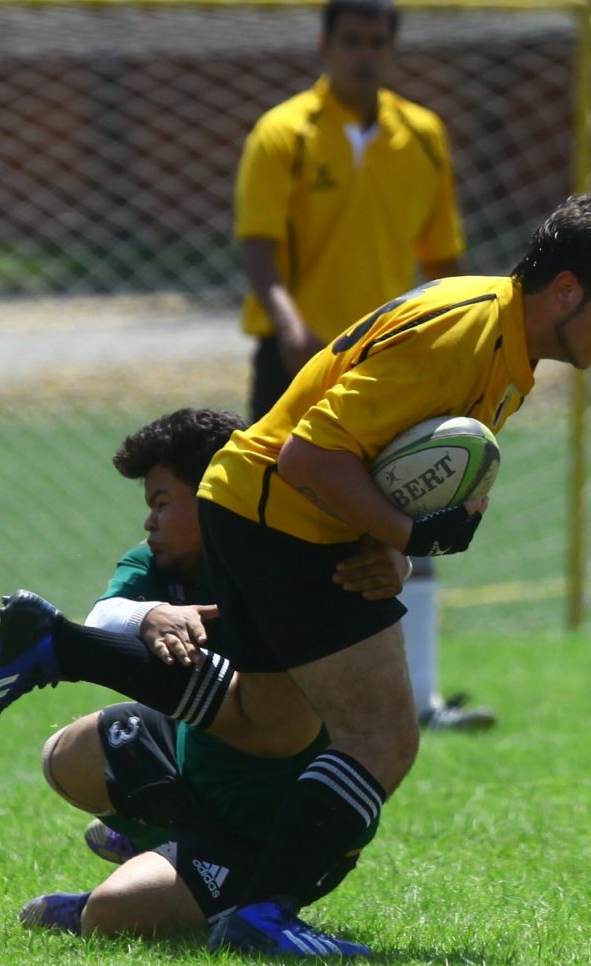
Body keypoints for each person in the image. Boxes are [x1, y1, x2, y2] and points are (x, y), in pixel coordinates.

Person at [0, 194, 591, 958]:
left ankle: (62, 648)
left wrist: (396, 544)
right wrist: (407, 535)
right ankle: (265, 914)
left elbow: (396, 467)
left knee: (269, 720)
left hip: (252, 503)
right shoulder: (463, 336)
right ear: (564, 290)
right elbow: (311, 459)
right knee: (381, 735)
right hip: (286, 518)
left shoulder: (501, 336)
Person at [0, 408, 410, 941]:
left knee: (111, 916)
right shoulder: (157, 561)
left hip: (272, 826)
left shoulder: (288, 555)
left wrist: (394, 560)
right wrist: (147, 615)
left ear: (215, 496)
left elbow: (363, 565)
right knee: (65, 755)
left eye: (160, 504)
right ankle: (167, 842)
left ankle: (182, 889)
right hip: (198, 771)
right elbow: (104, 616)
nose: (149, 522)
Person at [235, 0, 485, 730]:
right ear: (326, 44)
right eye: (352, 41)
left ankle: (421, 698)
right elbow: (258, 246)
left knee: (419, 502)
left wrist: (456, 340)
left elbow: (444, 262)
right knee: (279, 528)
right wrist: (290, 327)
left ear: (392, 50)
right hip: (299, 363)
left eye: (378, 42)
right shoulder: (283, 133)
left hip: (394, 366)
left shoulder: (424, 137)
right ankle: (273, 697)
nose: (364, 55)